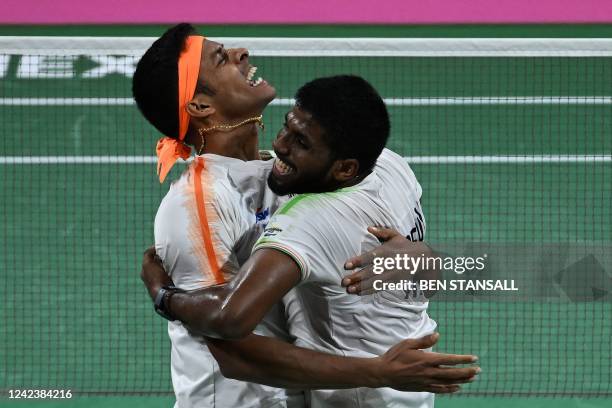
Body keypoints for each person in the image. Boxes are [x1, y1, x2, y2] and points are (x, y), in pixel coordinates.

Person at [135, 24, 479, 408]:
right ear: (200, 106)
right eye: (222, 58)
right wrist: (379, 370)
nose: (241, 52)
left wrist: (419, 256)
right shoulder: (200, 202)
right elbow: (232, 349)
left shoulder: (286, 173)